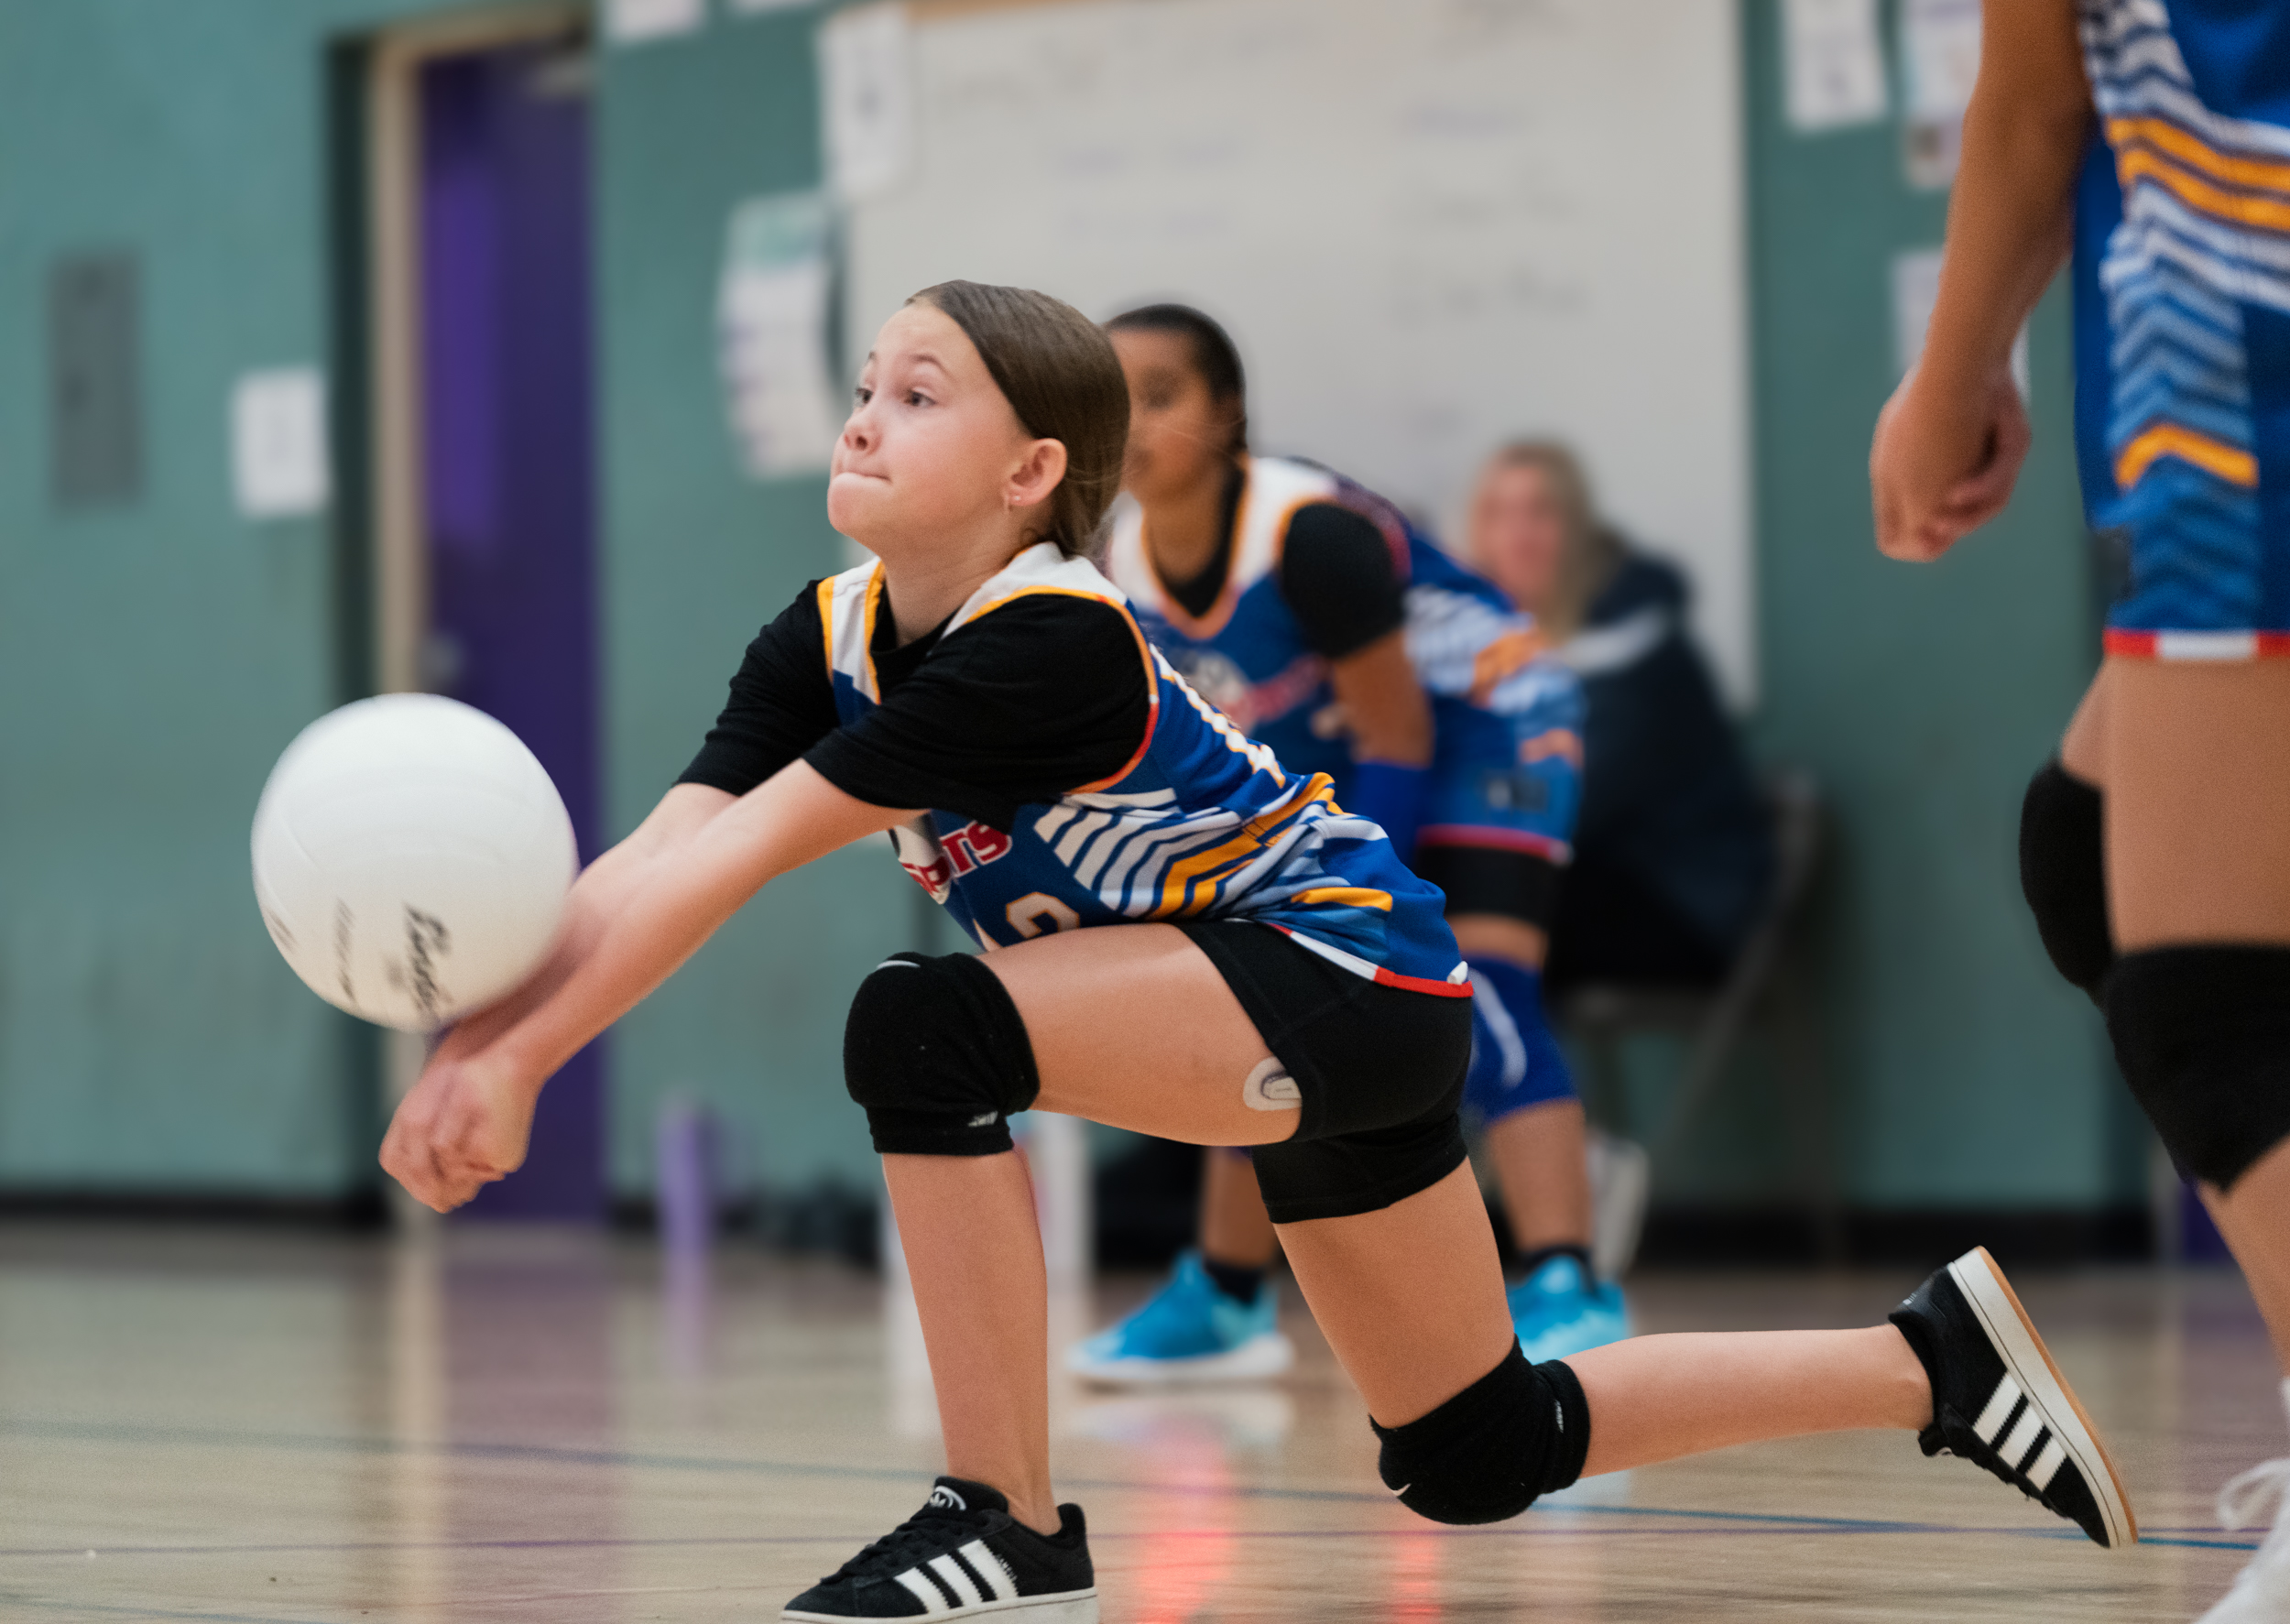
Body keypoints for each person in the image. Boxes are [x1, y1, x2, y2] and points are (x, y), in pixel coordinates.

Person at [384, 280, 2134, 1622]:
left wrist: (526, 1060)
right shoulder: (831, 629)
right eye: (861, 387)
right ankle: (1934, 1359)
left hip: (1345, 973)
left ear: (1031, 471)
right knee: (1476, 1450)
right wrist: (478, 1034)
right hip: (1274, 1006)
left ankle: (1005, 1515)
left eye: (917, 394)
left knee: (922, 1028)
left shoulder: (1046, 641)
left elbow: (760, 850)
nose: (864, 416)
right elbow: (661, 851)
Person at [1869, 4, 2290, 1617]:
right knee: (2092, 854)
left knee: (2212, 992)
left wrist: (1952, 372)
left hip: (2247, 353)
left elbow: (2036, 100)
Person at [1067, 303, 1627, 1383]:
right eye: (1110, 396)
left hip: (1487, 723)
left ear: (1226, 412)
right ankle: (1227, 1296)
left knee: (1484, 982)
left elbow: (1398, 728)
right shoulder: (1118, 567)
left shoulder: (1308, 536)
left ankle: (1567, 1274)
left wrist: (1377, 890)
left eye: (1161, 394)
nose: (1131, 421)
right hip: (1360, 752)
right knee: (1252, 993)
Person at [1465, 441, 1773, 994]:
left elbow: (1565, 805)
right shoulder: (1499, 647)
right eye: (1499, 515)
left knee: (1472, 924)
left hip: (1680, 898)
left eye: (1540, 513)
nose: (1519, 537)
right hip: (1594, 881)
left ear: (1578, 529)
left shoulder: (1633, 645)